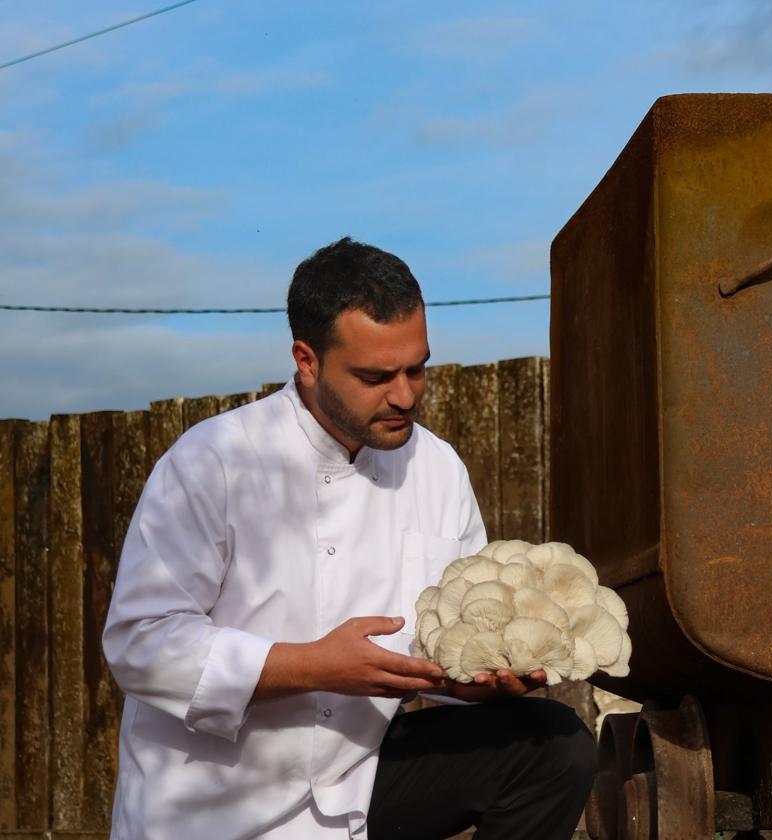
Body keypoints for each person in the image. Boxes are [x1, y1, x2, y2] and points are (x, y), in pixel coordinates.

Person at [102, 237, 596, 839]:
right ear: (306, 361)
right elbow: (140, 643)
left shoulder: (437, 469)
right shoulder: (216, 460)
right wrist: (313, 666)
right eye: (375, 375)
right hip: (213, 806)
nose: (405, 395)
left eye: (417, 368)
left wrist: (488, 680)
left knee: (553, 746)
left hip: (357, 781)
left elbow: (447, 653)